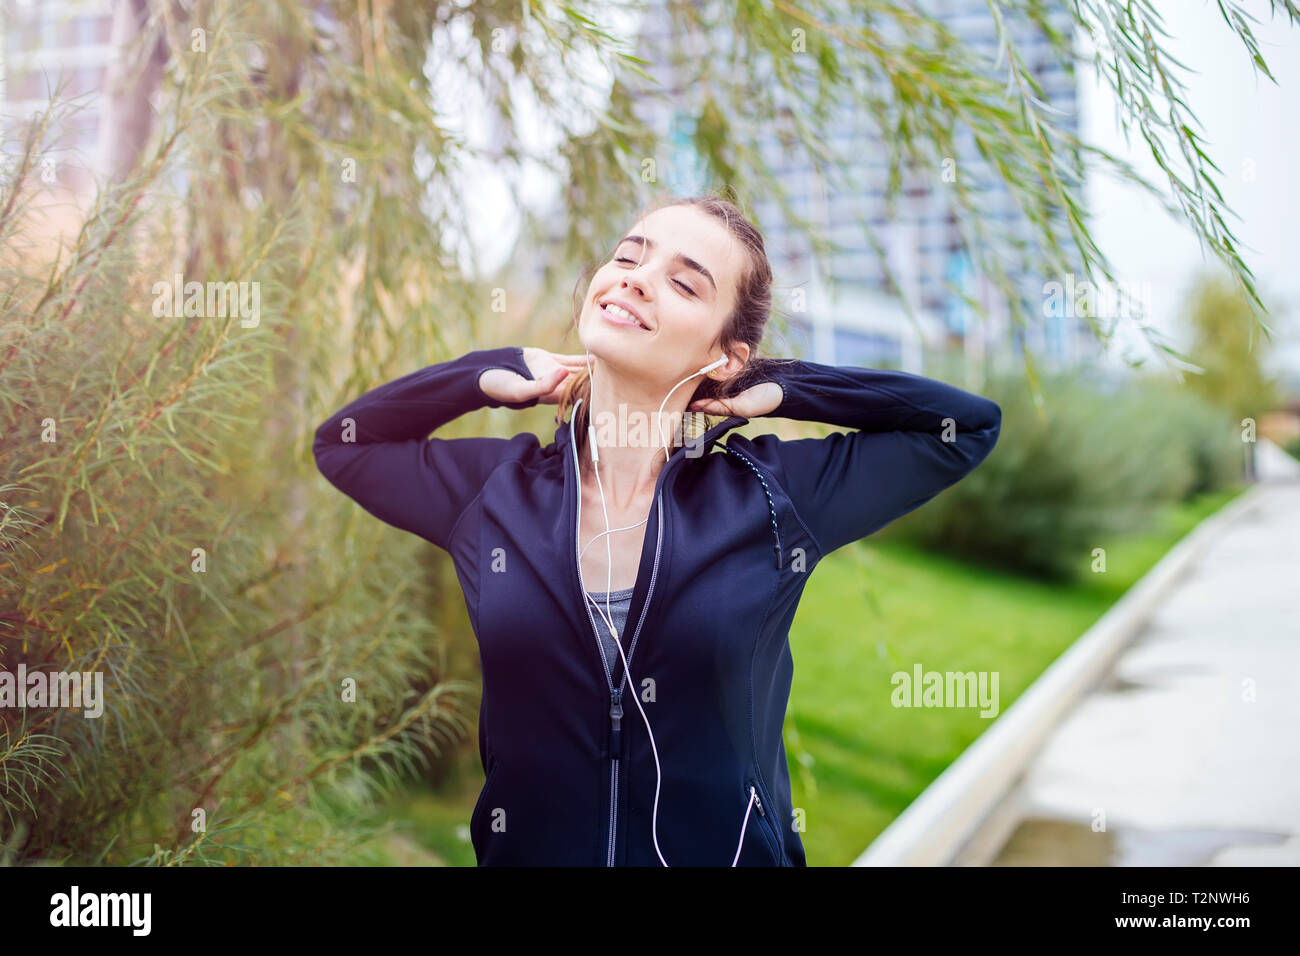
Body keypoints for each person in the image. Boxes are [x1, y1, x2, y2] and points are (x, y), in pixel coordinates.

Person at [313, 195, 1002, 866]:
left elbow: (964, 427)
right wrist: (486, 374)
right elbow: (345, 444)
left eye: (682, 282)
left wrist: (783, 385)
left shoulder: (769, 498)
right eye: (628, 257)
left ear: (725, 354)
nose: (636, 279)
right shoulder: (494, 495)